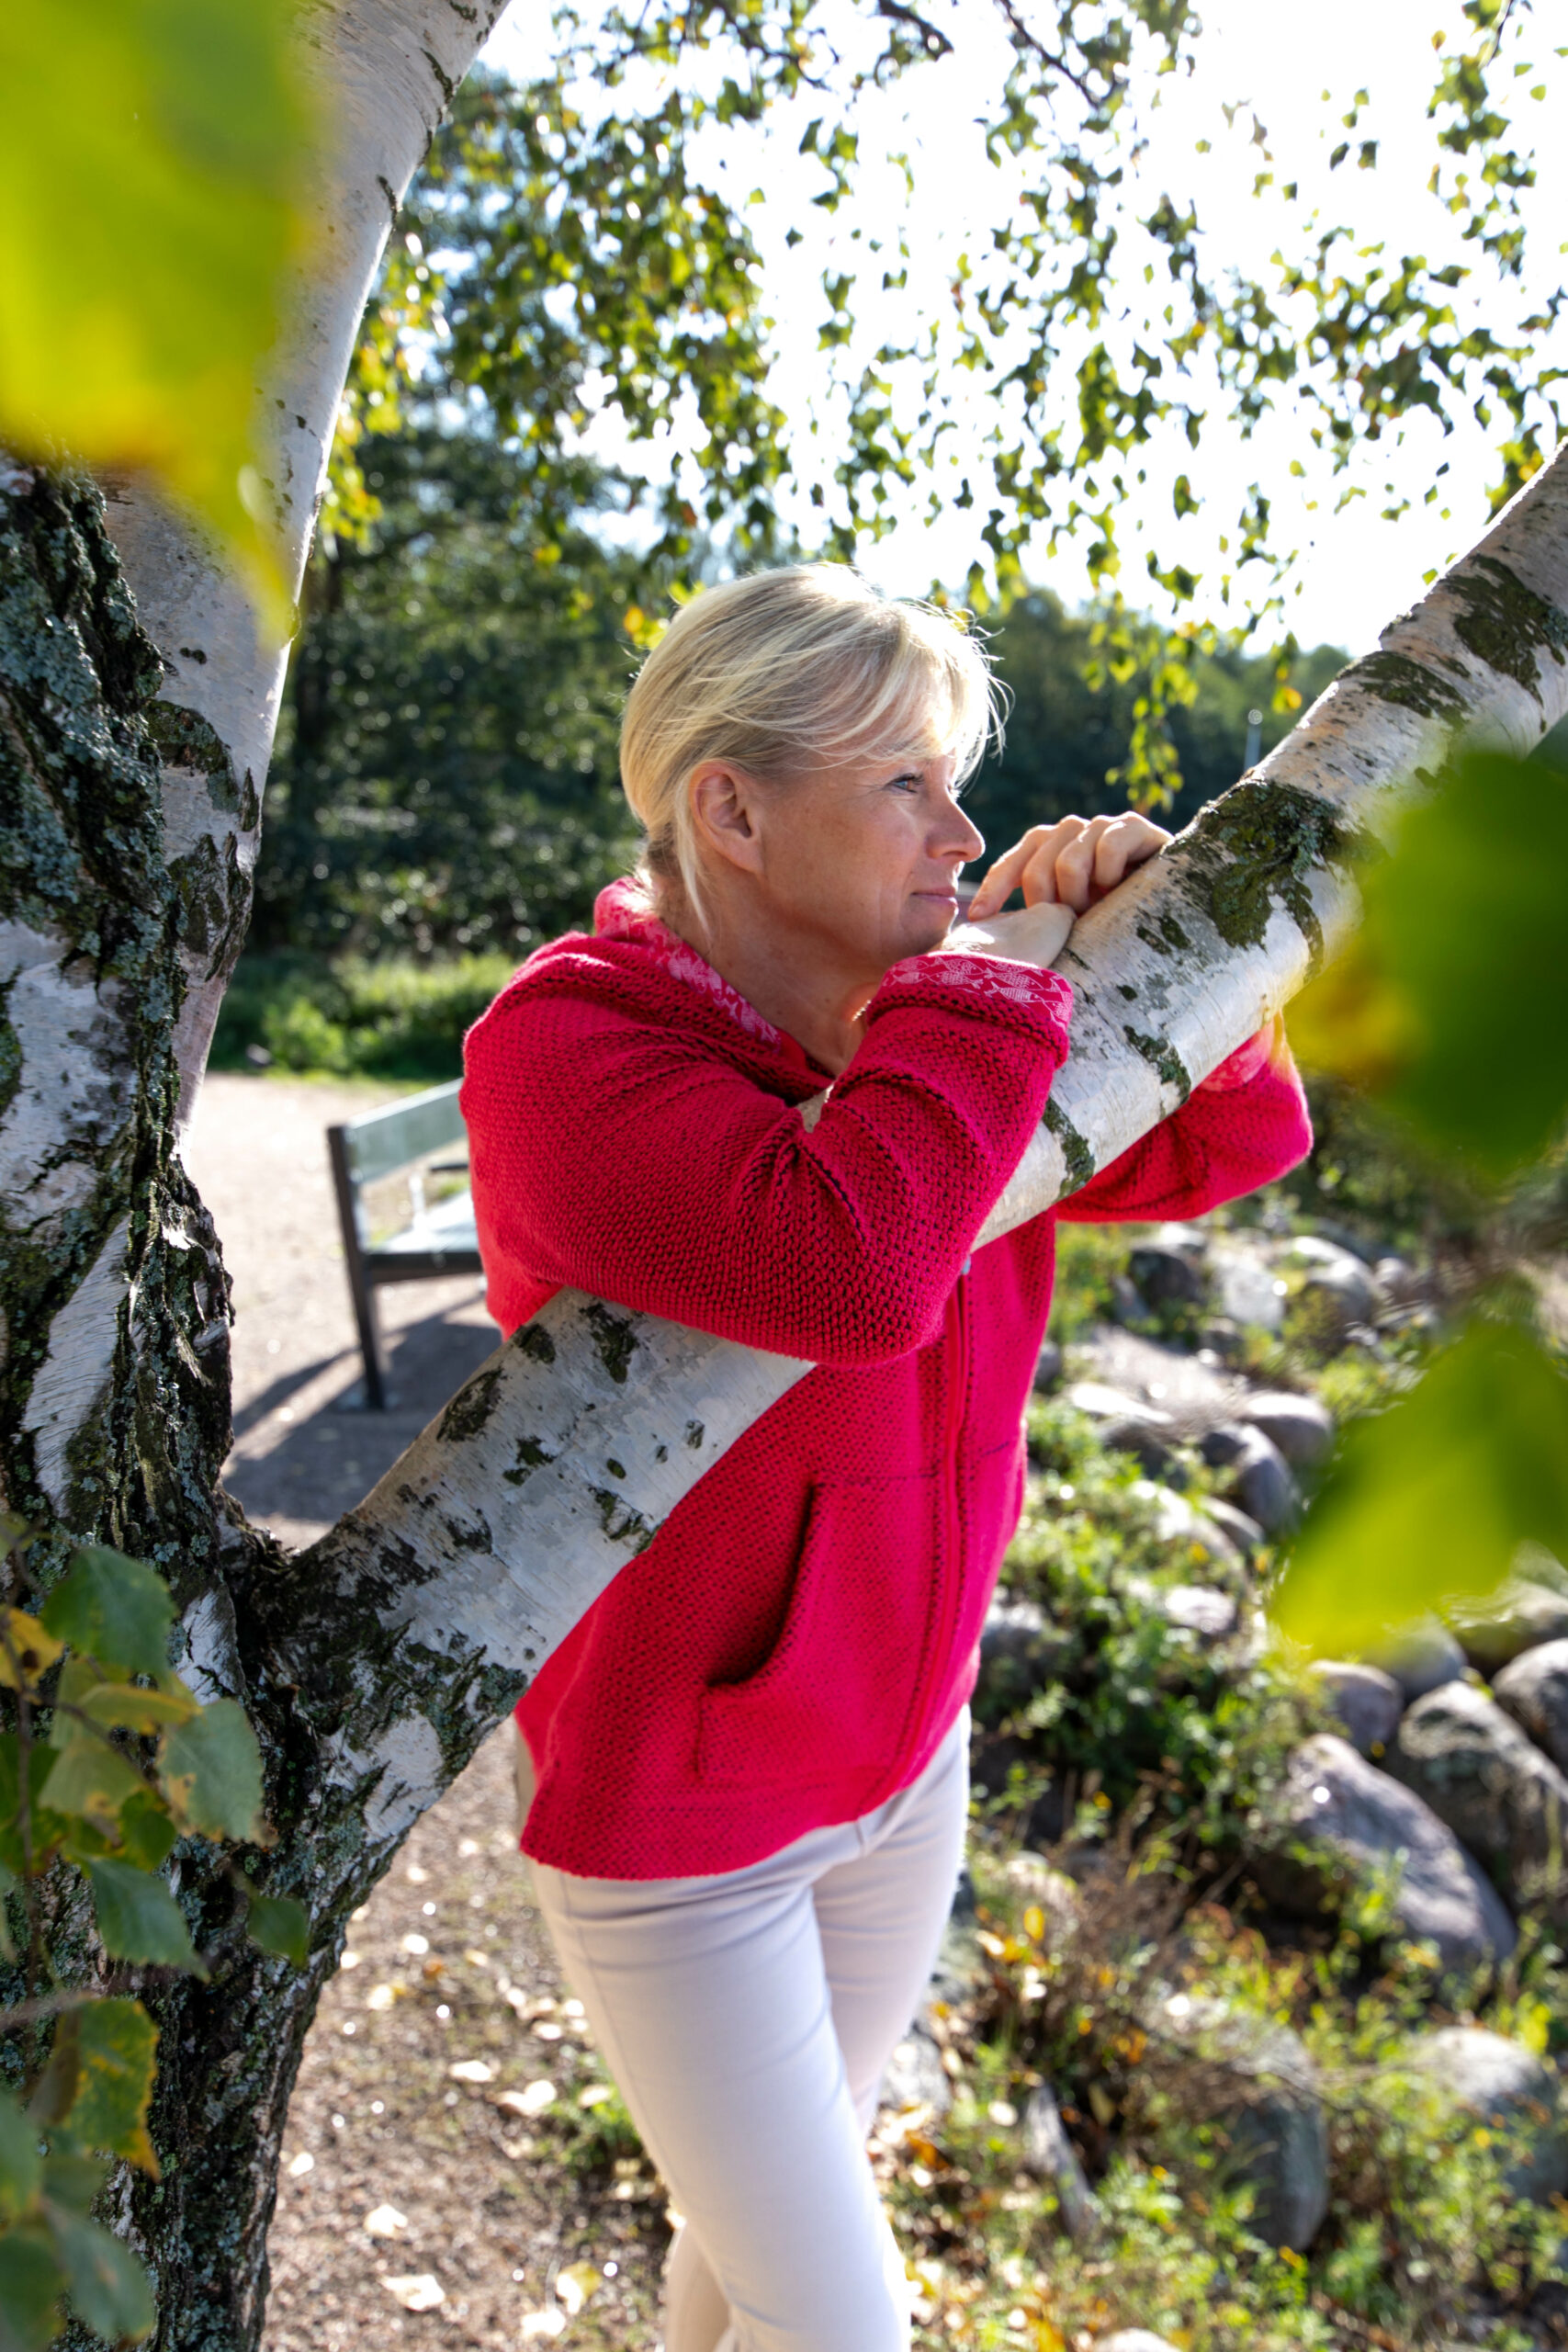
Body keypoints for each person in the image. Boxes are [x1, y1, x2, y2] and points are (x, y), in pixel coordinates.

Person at [460, 565, 1310, 2352]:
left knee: (759, 2258)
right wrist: (1002, 981)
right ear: (733, 807)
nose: (965, 831)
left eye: (957, 783)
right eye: (906, 784)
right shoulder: (569, 1045)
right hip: (682, 1818)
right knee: (837, 2322)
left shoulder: (930, 1015)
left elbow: (1225, 1141)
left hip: (898, 1759)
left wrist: (1152, 936)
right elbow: (845, 1260)